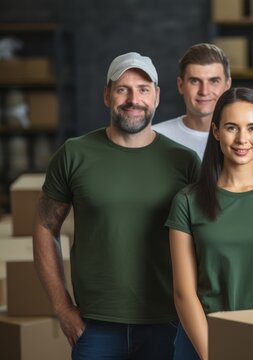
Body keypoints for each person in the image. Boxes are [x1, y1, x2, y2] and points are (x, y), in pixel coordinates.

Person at [33, 52, 200, 359]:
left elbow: (204, 240)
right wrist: (62, 307)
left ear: (158, 97)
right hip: (95, 325)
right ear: (107, 95)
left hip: (167, 322)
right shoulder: (74, 154)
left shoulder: (185, 162)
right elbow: (45, 227)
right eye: (123, 89)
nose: (133, 99)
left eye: (143, 89)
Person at [167, 87, 253, 360]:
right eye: (232, 128)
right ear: (216, 131)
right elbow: (183, 292)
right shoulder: (187, 201)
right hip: (200, 341)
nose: (242, 139)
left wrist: (246, 341)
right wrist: (212, 353)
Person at [153, 43, 253, 171]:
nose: (204, 91)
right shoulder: (155, 137)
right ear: (180, 85)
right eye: (195, 81)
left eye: (214, 81)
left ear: (227, 85)